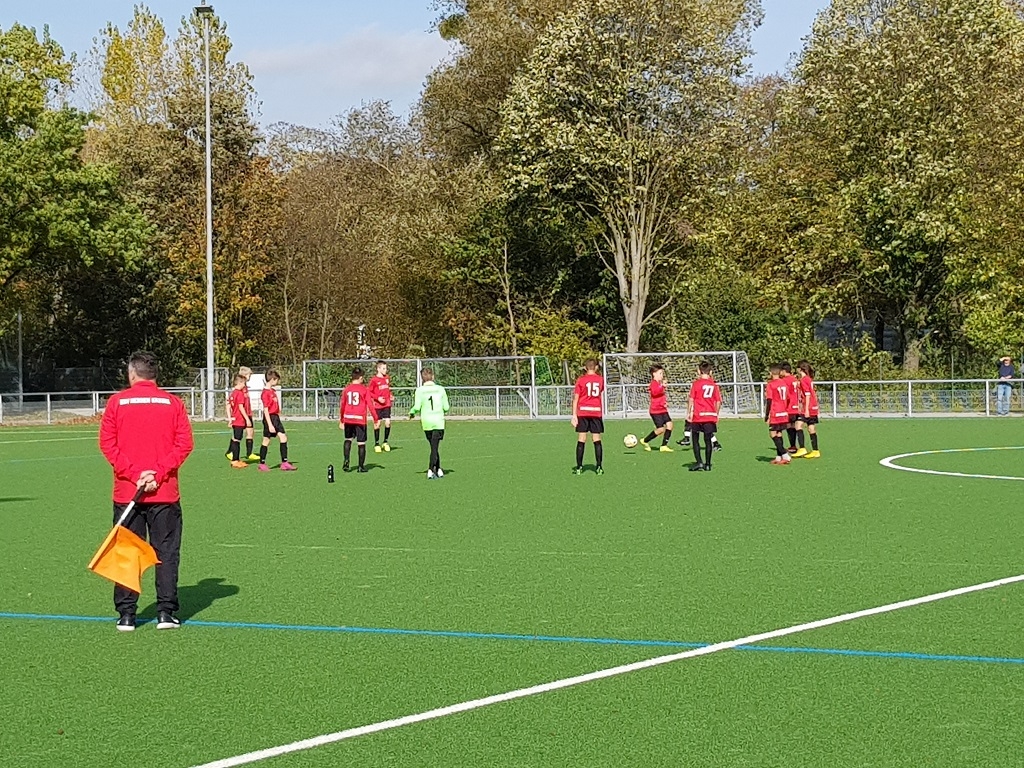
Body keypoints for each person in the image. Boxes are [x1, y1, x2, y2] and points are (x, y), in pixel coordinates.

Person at [99, 351, 194, 631]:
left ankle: (127, 615)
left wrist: (135, 475)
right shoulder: (173, 403)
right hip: (164, 492)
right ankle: (166, 612)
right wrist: (158, 473)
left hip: (127, 492)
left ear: (132, 373)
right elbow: (184, 444)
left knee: (127, 552)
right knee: (166, 552)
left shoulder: (117, 402)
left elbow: (107, 444)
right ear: (155, 375)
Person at [409, 367, 451, 479]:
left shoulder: (419, 390)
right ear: (433, 376)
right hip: (438, 422)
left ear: (422, 378)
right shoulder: (441, 389)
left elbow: (417, 407)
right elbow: (446, 407)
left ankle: (438, 469)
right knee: (434, 447)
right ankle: (431, 469)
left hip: (427, 422)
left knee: (433, 446)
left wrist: (411, 412)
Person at [571, 358, 605, 475]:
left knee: (582, 439)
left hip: (583, 412)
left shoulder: (581, 380)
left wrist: (574, 415)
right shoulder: (600, 380)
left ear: (585, 368)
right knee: (596, 439)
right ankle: (599, 467)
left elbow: (576, 398)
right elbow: (599, 391)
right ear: (596, 367)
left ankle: (579, 467)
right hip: (596, 412)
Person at [686, 361, 722, 471]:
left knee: (695, 439)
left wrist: (689, 412)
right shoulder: (714, 385)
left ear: (699, 371)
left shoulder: (696, 384)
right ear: (710, 372)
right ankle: (708, 464)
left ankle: (699, 462)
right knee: (708, 440)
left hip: (698, 415)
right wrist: (716, 414)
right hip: (710, 415)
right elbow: (718, 401)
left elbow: (691, 399)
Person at [258, 370, 296, 471]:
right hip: (269, 418)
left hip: (275, 418)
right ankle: (262, 463)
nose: (277, 382)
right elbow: (266, 410)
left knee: (283, 437)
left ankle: (284, 462)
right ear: (272, 379)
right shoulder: (265, 393)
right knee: (266, 440)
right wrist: (270, 425)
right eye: (276, 380)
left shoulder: (273, 391)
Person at [339, 368, 373, 473]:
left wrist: (342, 420)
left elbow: (342, 405)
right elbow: (370, 404)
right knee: (361, 443)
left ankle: (346, 461)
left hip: (348, 418)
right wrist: (376, 418)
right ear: (361, 378)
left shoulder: (347, 389)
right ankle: (360, 467)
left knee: (348, 439)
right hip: (360, 419)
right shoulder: (364, 389)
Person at [225, 366, 258, 462]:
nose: (250, 376)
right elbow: (234, 404)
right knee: (237, 435)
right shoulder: (239, 389)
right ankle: (230, 452)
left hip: (247, 413)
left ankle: (249, 453)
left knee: (250, 432)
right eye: (249, 374)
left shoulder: (245, 387)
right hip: (241, 415)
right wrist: (230, 417)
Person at [640, 364, 674, 452]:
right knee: (661, 429)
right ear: (654, 374)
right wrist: (662, 386)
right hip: (655, 411)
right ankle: (645, 440)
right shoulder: (653, 384)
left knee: (670, 425)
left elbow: (661, 396)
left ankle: (664, 446)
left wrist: (664, 403)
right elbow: (655, 393)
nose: (662, 375)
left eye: (662, 373)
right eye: (660, 373)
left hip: (663, 409)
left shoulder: (659, 384)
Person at [765, 364, 792, 465]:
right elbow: (788, 398)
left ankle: (785, 455)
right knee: (779, 433)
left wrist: (767, 415)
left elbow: (769, 400)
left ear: (771, 373)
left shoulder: (771, 384)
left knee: (772, 434)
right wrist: (785, 407)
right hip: (783, 412)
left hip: (775, 413)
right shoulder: (783, 383)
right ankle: (778, 457)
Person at [796, 360, 821, 458]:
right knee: (811, 427)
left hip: (808, 407)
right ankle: (815, 451)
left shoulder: (803, 380)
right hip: (813, 406)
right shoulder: (809, 379)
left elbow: (807, 394)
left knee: (798, 425)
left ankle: (802, 448)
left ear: (800, 369)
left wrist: (806, 409)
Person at [226, 375, 251, 468]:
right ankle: (235, 460)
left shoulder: (233, 393)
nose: (244, 385)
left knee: (235, 439)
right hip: (239, 420)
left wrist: (230, 418)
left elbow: (228, 406)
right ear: (239, 383)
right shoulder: (239, 393)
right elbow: (241, 407)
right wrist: (247, 419)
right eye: (244, 383)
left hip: (235, 419)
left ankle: (236, 459)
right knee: (237, 440)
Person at [369, 361, 394, 452]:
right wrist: (378, 398)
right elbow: (370, 392)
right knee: (377, 424)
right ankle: (377, 443)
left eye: (386, 368)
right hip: (378, 405)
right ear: (378, 369)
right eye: (383, 368)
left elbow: (387, 389)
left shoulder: (387, 378)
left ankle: (385, 442)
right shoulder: (374, 380)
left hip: (387, 404)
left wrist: (391, 396)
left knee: (388, 422)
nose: (385, 370)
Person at [780, 362, 801, 453]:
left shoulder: (784, 380)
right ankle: (798, 446)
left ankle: (793, 446)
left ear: (784, 371)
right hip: (797, 406)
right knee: (795, 425)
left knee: (789, 426)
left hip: (789, 406)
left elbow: (786, 395)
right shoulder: (795, 379)